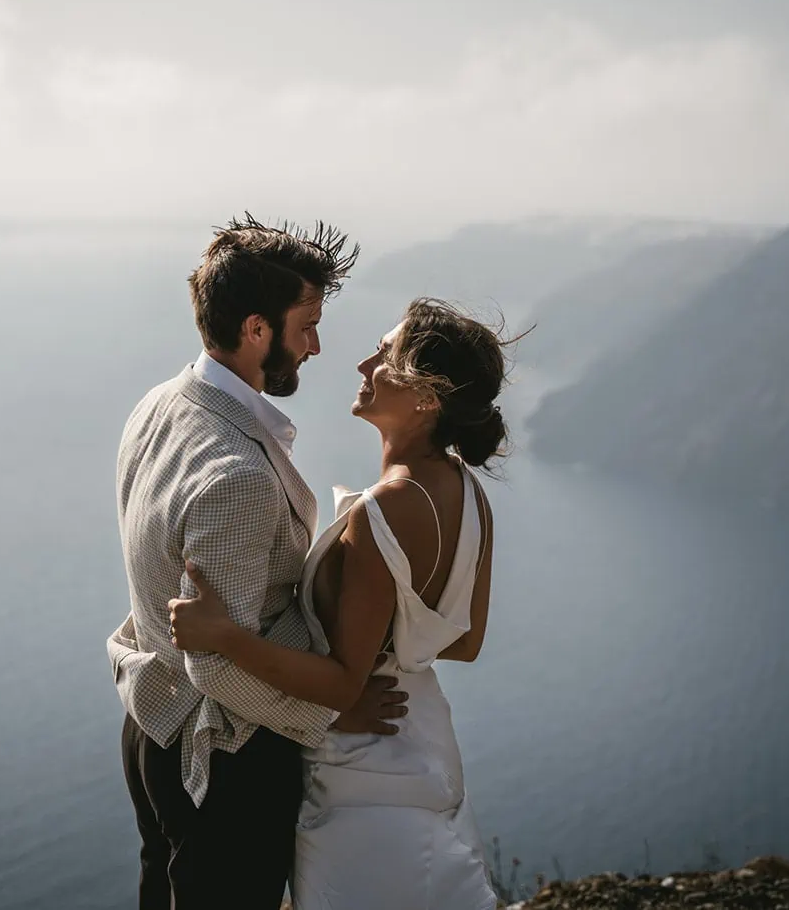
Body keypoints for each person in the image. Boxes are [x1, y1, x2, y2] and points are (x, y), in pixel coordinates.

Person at [171, 296, 515, 910]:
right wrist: (397, 642)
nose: (362, 363)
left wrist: (223, 636)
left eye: (383, 355)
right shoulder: (468, 491)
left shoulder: (384, 511)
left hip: (364, 768)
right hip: (421, 734)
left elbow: (339, 686)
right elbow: (464, 641)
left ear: (426, 396)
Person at [106, 215, 406, 910]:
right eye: (306, 325)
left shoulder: (159, 404)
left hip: (150, 725)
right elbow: (217, 661)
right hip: (222, 761)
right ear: (255, 330)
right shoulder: (236, 471)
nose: (317, 345)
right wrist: (331, 706)